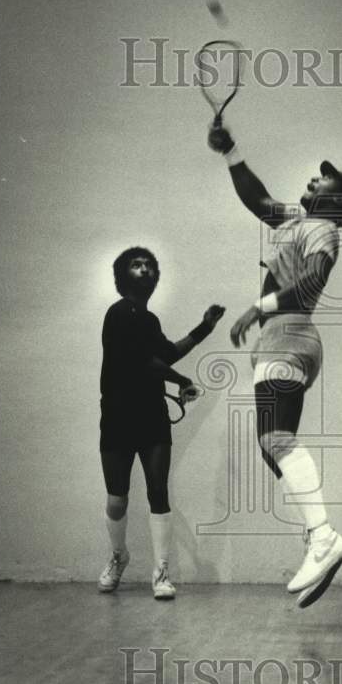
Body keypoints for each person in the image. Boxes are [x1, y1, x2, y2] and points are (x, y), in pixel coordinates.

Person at [207, 123, 342, 608]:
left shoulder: (324, 231)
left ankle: (323, 537)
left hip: (289, 337)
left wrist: (260, 306)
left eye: (328, 179)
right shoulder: (301, 218)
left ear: (338, 203)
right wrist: (232, 150)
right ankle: (317, 537)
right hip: (282, 341)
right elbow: (258, 202)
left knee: (275, 440)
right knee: (270, 445)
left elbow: (312, 280)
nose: (318, 178)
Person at [98, 246, 224, 599]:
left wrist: (205, 328)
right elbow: (141, 362)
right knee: (117, 498)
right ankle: (118, 556)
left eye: (149, 265)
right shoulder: (118, 314)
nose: (144, 270)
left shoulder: (149, 320)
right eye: (136, 265)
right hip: (118, 417)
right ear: (123, 276)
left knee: (158, 492)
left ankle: (161, 572)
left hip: (152, 416)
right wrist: (182, 380)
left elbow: (165, 354)